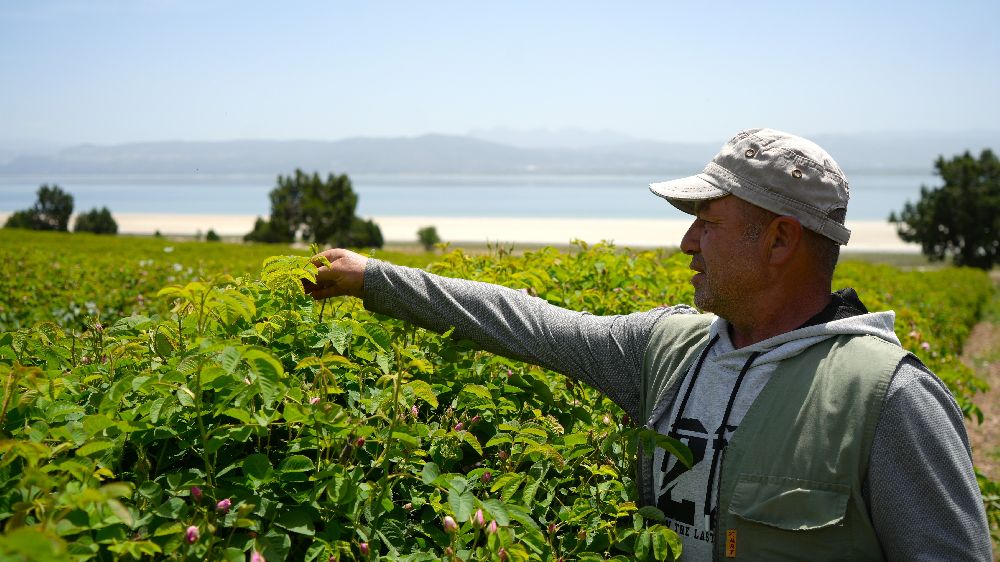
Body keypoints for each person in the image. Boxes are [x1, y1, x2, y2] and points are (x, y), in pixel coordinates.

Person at [304, 128, 992, 561]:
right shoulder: (666, 350)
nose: (686, 242)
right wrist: (374, 280)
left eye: (708, 223)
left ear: (781, 239)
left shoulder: (887, 398)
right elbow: (529, 323)